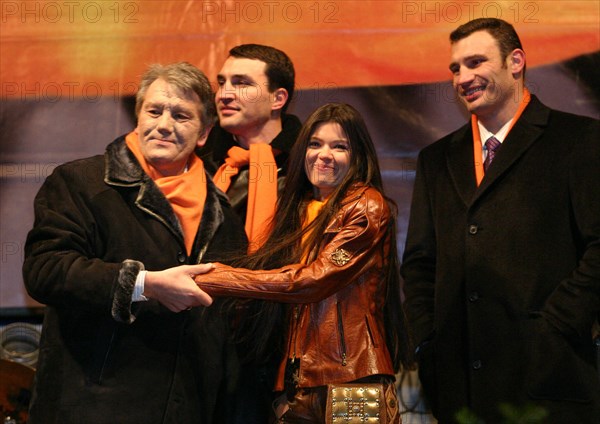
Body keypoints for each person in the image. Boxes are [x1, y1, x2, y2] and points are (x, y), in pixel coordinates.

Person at [22, 62, 247, 424]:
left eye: (181, 115)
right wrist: (144, 285)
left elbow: (228, 328)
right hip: (92, 408)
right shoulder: (81, 181)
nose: (163, 125)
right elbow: (45, 270)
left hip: (189, 409)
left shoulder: (224, 214)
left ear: (204, 132)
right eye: (154, 111)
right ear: (138, 116)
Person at [401, 18, 600, 423]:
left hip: (549, 380)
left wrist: (556, 328)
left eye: (476, 62)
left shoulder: (579, 139)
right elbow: (420, 263)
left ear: (516, 61)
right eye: (455, 68)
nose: (463, 77)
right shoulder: (436, 159)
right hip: (458, 387)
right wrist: (428, 341)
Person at [194, 103, 411, 423]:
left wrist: (217, 278)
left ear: (358, 156)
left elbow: (312, 280)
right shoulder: (295, 210)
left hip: (354, 378)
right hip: (296, 385)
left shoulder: (366, 205)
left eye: (340, 146)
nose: (324, 154)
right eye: (315, 143)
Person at [200, 43, 302, 252]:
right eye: (222, 83)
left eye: (241, 83)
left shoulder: (308, 166)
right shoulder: (198, 161)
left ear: (278, 99)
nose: (224, 94)